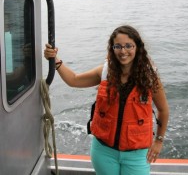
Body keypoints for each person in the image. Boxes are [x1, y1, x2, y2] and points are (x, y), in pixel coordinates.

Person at [44, 25, 169, 175]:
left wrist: (159, 142)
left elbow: (163, 110)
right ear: (112, 48)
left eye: (129, 46)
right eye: (118, 46)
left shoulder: (149, 77)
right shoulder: (104, 72)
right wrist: (55, 60)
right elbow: (74, 80)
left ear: (138, 47)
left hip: (137, 154)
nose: (123, 51)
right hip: (103, 151)